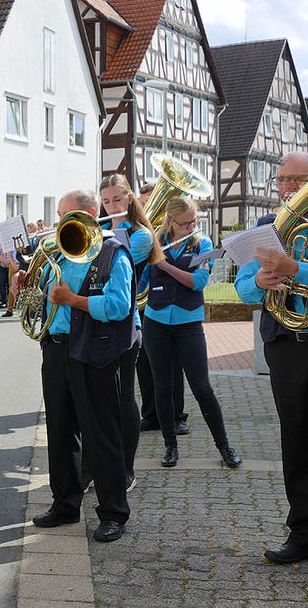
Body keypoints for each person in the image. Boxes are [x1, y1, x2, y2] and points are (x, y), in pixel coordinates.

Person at [236, 150, 308, 586]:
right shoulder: (266, 227)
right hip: (286, 346)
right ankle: (305, 535)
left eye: (294, 180)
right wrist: (261, 282)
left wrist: (295, 268)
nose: (286, 189)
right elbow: (245, 285)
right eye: (281, 180)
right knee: (296, 442)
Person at [16, 188, 134, 542]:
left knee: (101, 435)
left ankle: (113, 512)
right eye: (59, 217)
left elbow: (118, 306)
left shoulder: (114, 253)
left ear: (90, 214)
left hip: (94, 353)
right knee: (61, 432)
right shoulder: (55, 250)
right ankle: (65, 503)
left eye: (67, 217)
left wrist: (75, 300)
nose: (60, 224)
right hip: (55, 349)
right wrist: (25, 284)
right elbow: (38, 298)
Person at [142, 196, 241, 470]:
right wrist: (141, 259)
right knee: (162, 387)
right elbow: (139, 281)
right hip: (156, 321)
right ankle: (170, 447)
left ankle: (225, 446)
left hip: (188, 323)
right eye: (185, 223)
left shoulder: (203, 244)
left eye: (193, 222)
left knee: (202, 387)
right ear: (170, 221)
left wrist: (163, 265)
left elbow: (197, 282)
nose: (190, 227)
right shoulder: (154, 242)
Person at [98, 174, 164, 492]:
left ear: (130, 199)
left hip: (126, 324)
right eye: (106, 201)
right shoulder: (97, 229)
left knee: (124, 398)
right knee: (96, 401)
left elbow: (109, 262)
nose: (112, 205)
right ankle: (93, 467)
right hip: (93, 324)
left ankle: (126, 469)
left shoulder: (140, 236)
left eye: (117, 200)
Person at [135, 182, 188, 434]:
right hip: (142, 304)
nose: (148, 209)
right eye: (143, 204)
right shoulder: (137, 234)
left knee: (170, 362)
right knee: (143, 362)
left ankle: (176, 416)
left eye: (152, 204)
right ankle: (151, 414)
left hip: (168, 303)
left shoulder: (174, 237)